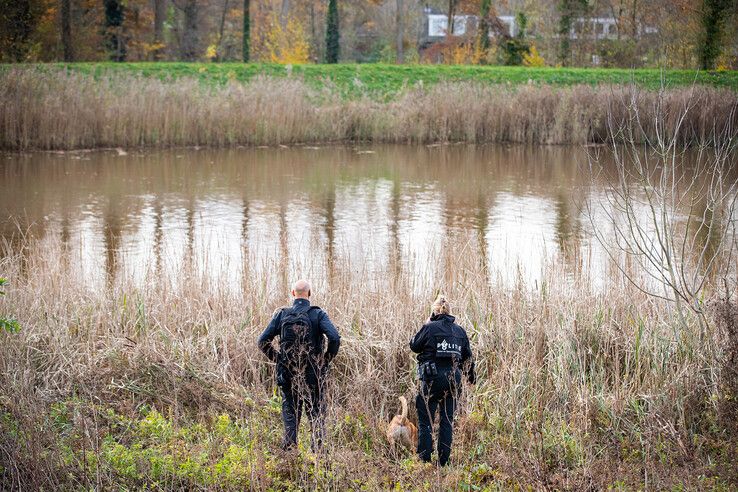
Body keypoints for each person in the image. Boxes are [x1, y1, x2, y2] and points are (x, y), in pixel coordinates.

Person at [258, 279, 341, 451]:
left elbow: (262, 341)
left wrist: (279, 359)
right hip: (313, 375)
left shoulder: (282, 314)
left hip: (288, 374)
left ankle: (289, 459)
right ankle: (319, 458)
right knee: (316, 414)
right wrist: (324, 361)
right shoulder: (318, 315)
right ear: (309, 294)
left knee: (290, 416)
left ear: (293, 293)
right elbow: (334, 338)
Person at [410, 294, 475, 467]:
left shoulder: (429, 327)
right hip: (454, 379)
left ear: (434, 311)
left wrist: (426, 323)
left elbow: (414, 345)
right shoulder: (459, 331)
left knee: (426, 420)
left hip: (432, 378)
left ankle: (424, 461)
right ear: (449, 311)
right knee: (447, 421)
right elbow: (468, 358)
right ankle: (443, 462)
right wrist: (471, 378)